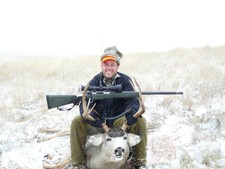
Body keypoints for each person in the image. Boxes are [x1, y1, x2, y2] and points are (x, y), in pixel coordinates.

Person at [70, 46, 147, 169]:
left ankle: (139, 162)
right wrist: (94, 118)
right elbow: (84, 104)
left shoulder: (125, 81)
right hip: (99, 123)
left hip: (119, 123)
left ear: (117, 66)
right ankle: (77, 164)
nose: (109, 68)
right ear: (101, 65)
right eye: (106, 64)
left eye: (112, 64)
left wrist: (132, 114)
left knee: (141, 121)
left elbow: (133, 100)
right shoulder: (95, 81)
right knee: (77, 121)